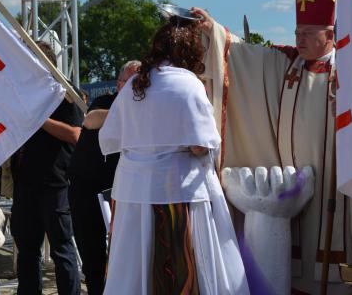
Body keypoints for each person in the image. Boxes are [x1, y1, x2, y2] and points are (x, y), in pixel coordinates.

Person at [193, 0, 352, 294]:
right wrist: (212, 29)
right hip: (293, 182)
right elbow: (243, 54)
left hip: (335, 183)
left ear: (330, 35)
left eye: (307, 33)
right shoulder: (287, 64)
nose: (298, 38)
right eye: (297, 31)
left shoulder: (350, 71)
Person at [99, 18, 250, 294]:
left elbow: (112, 138)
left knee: (134, 269)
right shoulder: (188, 84)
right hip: (178, 196)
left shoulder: (135, 84)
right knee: (180, 267)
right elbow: (200, 146)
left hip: (133, 193)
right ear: (189, 51)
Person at [10, 41, 83, 295]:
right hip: (25, 182)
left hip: (55, 183)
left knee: (62, 248)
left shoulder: (65, 92)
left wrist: (40, 119)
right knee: (27, 250)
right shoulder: (21, 91)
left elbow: (75, 134)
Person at [68, 60, 140, 295]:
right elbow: (91, 120)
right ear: (119, 85)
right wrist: (127, 110)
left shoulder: (146, 108)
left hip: (123, 192)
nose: (135, 87)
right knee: (92, 256)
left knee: (126, 257)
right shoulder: (105, 102)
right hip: (87, 190)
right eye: (130, 82)